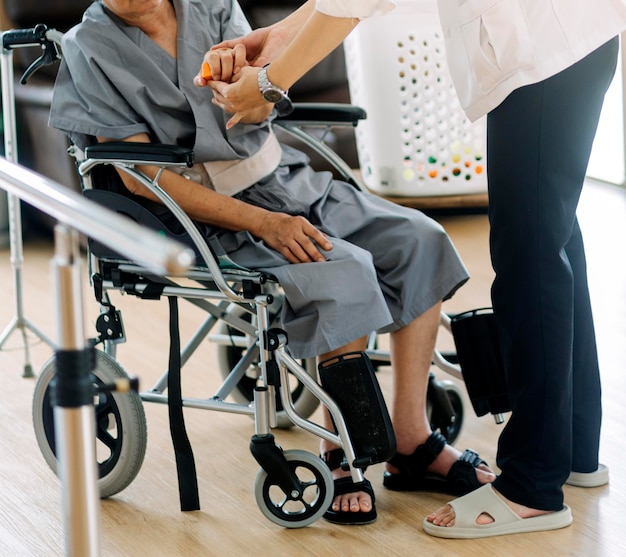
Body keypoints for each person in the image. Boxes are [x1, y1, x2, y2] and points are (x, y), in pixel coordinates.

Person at [49, 0, 495, 526]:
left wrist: (255, 92)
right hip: (206, 218)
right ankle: (341, 447)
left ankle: (410, 436)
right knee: (342, 268)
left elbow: (268, 100)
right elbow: (143, 175)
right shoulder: (90, 46)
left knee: (420, 238)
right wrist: (262, 224)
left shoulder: (211, 7)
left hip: (284, 180)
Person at [422, 0, 626, 539]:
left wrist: (274, 74)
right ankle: (574, 449)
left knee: (528, 254)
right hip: (565, 42)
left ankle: (531, 486)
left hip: (546, 54)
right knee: (550, 234)